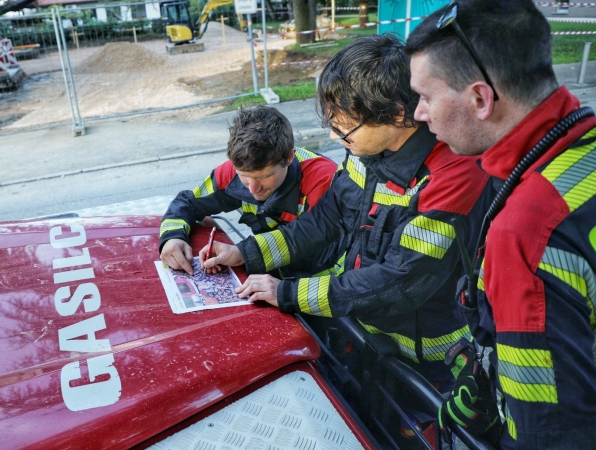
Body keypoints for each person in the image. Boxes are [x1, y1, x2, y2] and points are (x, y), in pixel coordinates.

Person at [200, 34, 495, 392]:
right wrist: (245, 254)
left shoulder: (452, 175)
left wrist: (289, 293)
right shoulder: (366, 151)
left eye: (344, 128)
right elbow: (327, 219)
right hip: (363, 330)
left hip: (425, 358)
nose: (338, 137)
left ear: (398, 114)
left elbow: (399, 280)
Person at [406, 0, 596, 447]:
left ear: (479, 98)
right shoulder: (578, 149)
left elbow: (549, 432)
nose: (419, 113)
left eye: (426, 96)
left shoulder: (526, 230)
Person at [159, 105, 339, 276]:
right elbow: (188, 202)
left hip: (326, 280)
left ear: (289, 157)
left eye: (264, 176)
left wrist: (244, 254)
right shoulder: (233, 170)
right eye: (243, 176)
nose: (253, 188)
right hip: (272, 274)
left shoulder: (324, 179)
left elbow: (308, 237)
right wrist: (172, 237)